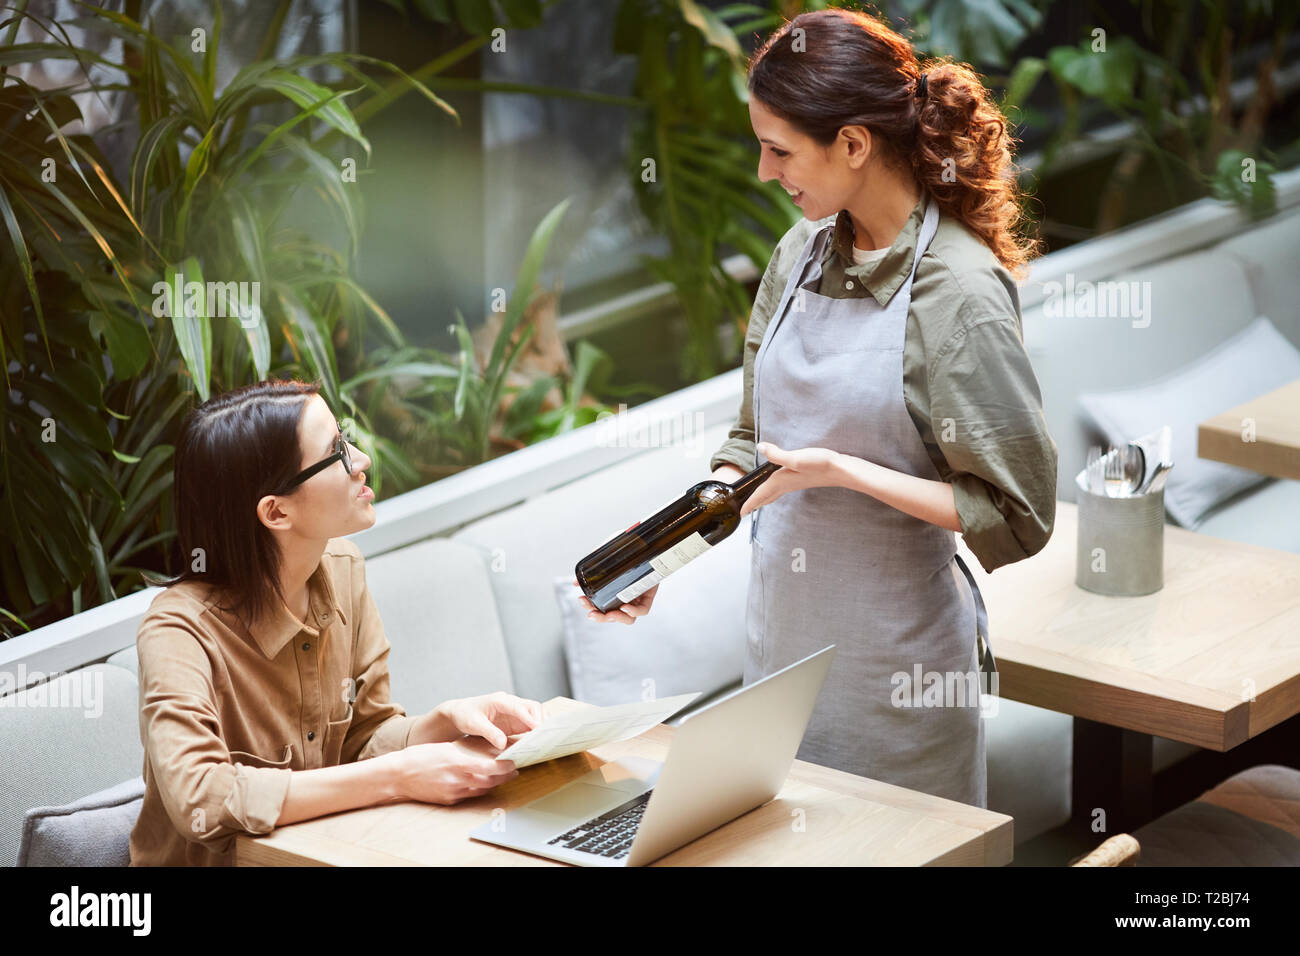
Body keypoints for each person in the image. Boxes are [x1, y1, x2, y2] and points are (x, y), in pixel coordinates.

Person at [579, 8, 1057, 809]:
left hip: (899, 678)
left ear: (855, 145)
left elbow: (1016, 515)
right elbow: (749, 446)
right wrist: (664, 557)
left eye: (779, 150)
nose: (765, 172)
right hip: (781, 664)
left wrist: (841, 472)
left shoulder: (959, 294)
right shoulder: (798, 253)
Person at [130, 379, 541, 865]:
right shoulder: (179, 631)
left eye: (346, 438)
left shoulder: (343, 569)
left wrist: (441, 723)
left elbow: (364, 738)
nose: (362, 459)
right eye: (337, 452)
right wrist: (399, 775)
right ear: (276, 511)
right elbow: (200, 798)